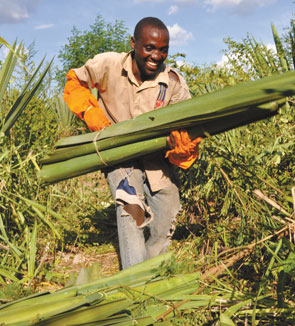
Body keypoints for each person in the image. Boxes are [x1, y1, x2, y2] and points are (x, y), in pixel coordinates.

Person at [63, 17, 201, 269]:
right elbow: (75, 81)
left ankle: (153, 270)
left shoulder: (172, 83)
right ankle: (134, 282)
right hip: (119, 156)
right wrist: (90, 113)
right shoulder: (108, 64)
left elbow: (187, 130)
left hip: (155, 159)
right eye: (149, 48)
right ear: (134, 44)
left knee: (165, 215)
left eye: (163, 50)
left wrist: (183, 147)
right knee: (131, 208)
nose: (156, 56)